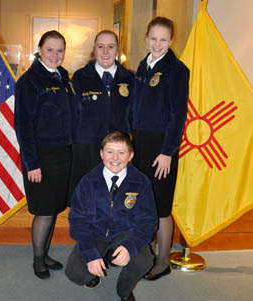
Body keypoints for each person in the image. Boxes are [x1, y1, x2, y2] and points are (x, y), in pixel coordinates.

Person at [65, 131, 158, 301]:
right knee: (75, 272)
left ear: (130, 156)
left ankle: (124, 291)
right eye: (109, 152)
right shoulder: (88, 182)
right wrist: (90, 253)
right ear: (101, 154)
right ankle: (96, 270)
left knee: (144, 260)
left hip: (125, 232)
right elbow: (78, 221)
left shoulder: (141, 182)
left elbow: (148, 221)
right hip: (96, 233)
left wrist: (131, 246)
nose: (115, 157)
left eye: (121, 152)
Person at [132, 17, 189, 280]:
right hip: (140, 143)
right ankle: (145, 256)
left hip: (162, 147)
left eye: (163, 39)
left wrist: (168, 151)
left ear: (171, 41)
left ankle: (163, 260)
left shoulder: (177, 70)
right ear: (146, 37)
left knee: (162, 206)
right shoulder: (143, 66)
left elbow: (178, 116)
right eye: (153, 38)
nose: (157, 44)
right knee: (143, 201)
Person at [14, 30, 73, 279]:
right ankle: (38, 259)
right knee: (44, 211)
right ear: (39, 50)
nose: (55, 55)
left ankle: (46, 253)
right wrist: (32, 164)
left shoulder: (62, 75)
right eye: (50, 49)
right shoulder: (29, 81)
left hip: (63, 154)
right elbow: (23, 127)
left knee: (54, 208)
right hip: (41, 157)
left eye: (60, 50)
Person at [69, 30, 134, 201]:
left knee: (116, 199)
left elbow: (133, 115)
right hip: (86, 150)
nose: (105, 51)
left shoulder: (129, 78)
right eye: (101, 46)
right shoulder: (80, 77)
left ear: (118, 49)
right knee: (86, 200)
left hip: (117, 152)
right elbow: (72, 115)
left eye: (110, 46)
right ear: (94, 49)